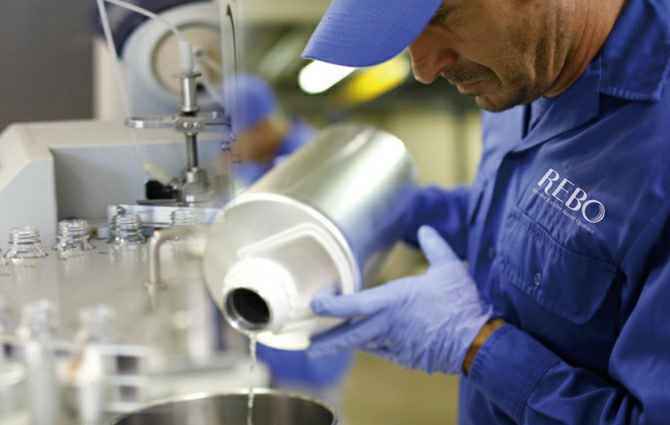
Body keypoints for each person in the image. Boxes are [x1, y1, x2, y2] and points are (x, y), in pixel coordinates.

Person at [302, 1, 670, 424]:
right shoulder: (519, 76)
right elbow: (530, 224)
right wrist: (398, 209)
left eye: (441, 17)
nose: (424, 69)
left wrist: (478, 346)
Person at [221, 74, 354, 404]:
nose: (229, 152)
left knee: (313, 409)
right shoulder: (256, 165)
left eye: (232, 141)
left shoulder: (314, 161)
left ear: (260, 126)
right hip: (268, 335)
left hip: (310, 336)